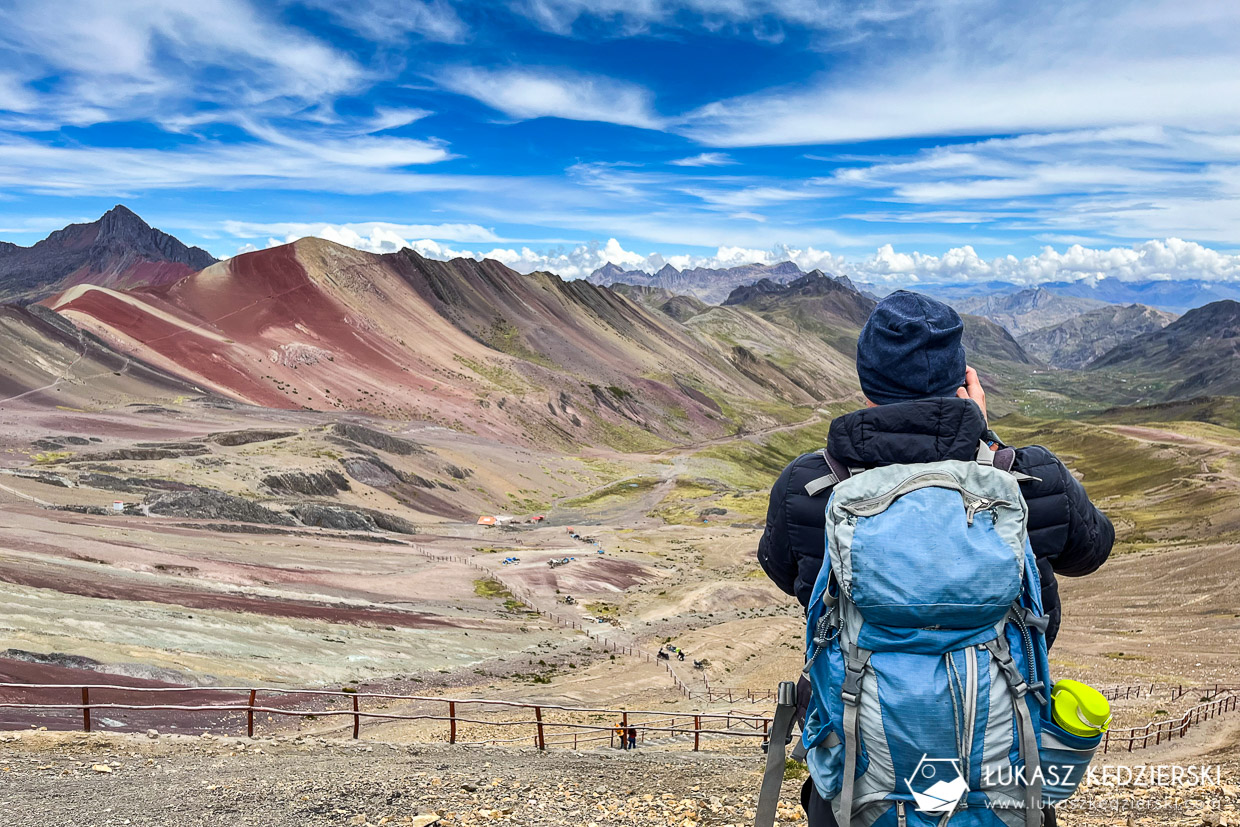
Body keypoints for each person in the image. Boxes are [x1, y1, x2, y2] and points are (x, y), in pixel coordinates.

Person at [757, 290, 1114, 827]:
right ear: (961, 380)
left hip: (860, 778)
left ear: (866, 381)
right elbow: (1092, 551)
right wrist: (984, 446)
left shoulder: (807, 487)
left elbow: (786, 574)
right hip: (1001, 773)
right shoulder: (1031, 477)